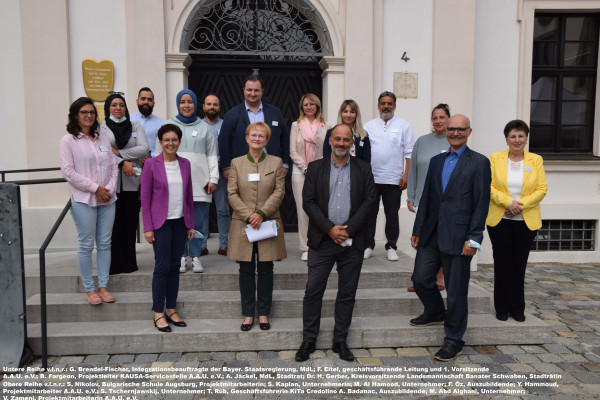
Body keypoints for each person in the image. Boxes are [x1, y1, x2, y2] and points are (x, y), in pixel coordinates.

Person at [410, 114, 491, 362]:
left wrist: (474, 238)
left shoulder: (479, 162)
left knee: (456, 292)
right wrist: (418, 228)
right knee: (421, 279)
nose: (455, 133)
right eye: (452, 129)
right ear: (446, 131)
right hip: (432, 232)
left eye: (460, 129)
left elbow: (481, 203)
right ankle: (435, 311)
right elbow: (427, 198)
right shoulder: (436, 161)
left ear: (469, 131)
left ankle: (454, 340)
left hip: (459, 236)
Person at [295, 124, 377, 362]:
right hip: (322, 240)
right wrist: (330, 229)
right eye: (337, 139)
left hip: (353, 241)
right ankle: (308, 339)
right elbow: (308, 202)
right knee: (313, 292)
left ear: (352, 143)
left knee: (347, 293)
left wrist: (347, 230)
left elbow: (370, 202)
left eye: (346, 140)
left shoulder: (363, 168)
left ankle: (340, 340)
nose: (341, 143)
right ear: (330, 140)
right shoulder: (316, 167)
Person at [227, 122, 286, 332]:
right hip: (243, 224)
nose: (257, 139)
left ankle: (263, 313)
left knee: (266, 268)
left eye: (262, 136)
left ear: (267, 140)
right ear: (246, 137)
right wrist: (249, 215)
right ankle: (247, 314)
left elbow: (279, 192)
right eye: (254, 135)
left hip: (268, 222)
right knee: (245, 269)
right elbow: (232, 193)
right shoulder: (236, 163)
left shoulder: (276, 162)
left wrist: (261, 213)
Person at [487, 120, 547, 322]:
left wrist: (519, 206)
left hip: (526, 221)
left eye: (521, 136)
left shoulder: (535, 160)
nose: (517, 140)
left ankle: (518, 308)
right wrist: (508, 203)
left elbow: (541, 189)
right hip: (500, 220)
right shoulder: (495, 158)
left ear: (526, 138)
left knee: (519, 265)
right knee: (502, 264)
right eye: (513, 136)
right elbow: (489, 186)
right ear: (506, 139)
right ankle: (501, 307)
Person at [59, 97, 118, 305]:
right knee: (86, 244)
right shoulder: (68, 141)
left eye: (92, 112)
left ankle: (103, 286)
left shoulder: (102, 140)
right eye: (84, 112)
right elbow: (68, 172)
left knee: (104, 243)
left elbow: (113, 167)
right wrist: (96, 188)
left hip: (108, 200)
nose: (89, 115)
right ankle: (89, 288)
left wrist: (109, 189)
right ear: (76, 115)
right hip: (84, 199)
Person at [141, 124, 194, 332]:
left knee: (175, 267)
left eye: (174, 139)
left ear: (179, 141)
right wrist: (148, 227)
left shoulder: (185, 164)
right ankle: (158, 312)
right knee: (162, 268)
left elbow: (189, 196)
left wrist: (190, 224)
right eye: (166, 140)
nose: (170, 143)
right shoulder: (151, 165)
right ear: (161, 142)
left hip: (180, 222)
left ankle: (171, 308)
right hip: (160, 223)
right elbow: (145, 198)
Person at [161, 89, 218, 273]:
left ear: (195, 104)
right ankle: (180, 257)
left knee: (198, 223)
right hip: (174, 184)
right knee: (178, 222)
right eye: (183, 102)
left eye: (190, 102)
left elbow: (212, 155)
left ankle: (195, 257)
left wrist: (213, 178)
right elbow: (158, 156)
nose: (186, 105)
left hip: (200, 184)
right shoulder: (169, 125)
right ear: (178, 104)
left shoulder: (204, 128)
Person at [99, 93, 149, 275]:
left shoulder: (135, 125)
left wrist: (117, 153)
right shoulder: (101, 127)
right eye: (114, 105)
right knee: (112, 225)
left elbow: (144, 148)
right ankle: (114, 264)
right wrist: (123, 160)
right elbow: (101, 151)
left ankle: (129, 264)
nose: (118, 108)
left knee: (129, 223)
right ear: (108, 108)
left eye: (121, 105)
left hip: (131, 183)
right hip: (110, 184)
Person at [363, 91, 415, 261]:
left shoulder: (403, 125)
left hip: (394, 178)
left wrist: (406, 175)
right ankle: (368, 245)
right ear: (378, 105)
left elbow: (409, 152)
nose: (386, 106)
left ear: (394, 105)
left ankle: (391, 245)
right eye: (383, 103)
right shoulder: (368, 126)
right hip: (371, 178)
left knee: (392, 214)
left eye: (389, 103)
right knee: (370, 213)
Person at [406, 103, 451, 293]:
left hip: (446, 202)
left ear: (448, 118)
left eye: (442, 117)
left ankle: (439, 277)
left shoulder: (453, 141)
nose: (438, 121)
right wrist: (411, 196)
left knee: (441, 239)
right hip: (424, 202)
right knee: (422, 239)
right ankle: (421, 277)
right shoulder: (422, 142)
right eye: (435, 117)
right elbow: (413, 170)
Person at [218, 75, 290, 179]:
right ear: (243, 90)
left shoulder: (275, 113)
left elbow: (284, 139)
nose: (252, 94)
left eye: (256, 90)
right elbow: (224, 142)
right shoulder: (232, 115)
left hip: (271, 168)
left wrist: (285, 164)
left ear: (262, 91)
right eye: (249, 90)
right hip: (241, 169)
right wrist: (226, 166)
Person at [289, 93, 330, 261]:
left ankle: (319, 243)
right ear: (302, 107)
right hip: (300, 172)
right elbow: (292, 150)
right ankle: (305, 247)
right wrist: (305, 168)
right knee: (303, 210)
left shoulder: (326, 125)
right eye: (306, 104)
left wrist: (315, 168)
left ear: (317, 106)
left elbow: (327, 150)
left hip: (320, 171)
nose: (309, 107)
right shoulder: (295, 125)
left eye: (312, 104)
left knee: (319, 209)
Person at [202, 93, 230, 256]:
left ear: (219, 107)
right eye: (209, 104)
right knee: (203, 210)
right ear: (204, 107)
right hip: (203, 173)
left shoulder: (226, 125)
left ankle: (224, 245)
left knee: (223, 210)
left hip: (222, 173)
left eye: (215, 104)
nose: (212, 107)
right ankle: (201, 245)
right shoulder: (198, 126)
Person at [131, 87, 164, 158]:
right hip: (133, 163)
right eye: (143, 99)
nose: (146, 102)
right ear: (137, 101)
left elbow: (163, 146)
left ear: (153, 103)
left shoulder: (161, 123)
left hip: (154, 164)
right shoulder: (128, 121)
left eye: (149, 99)